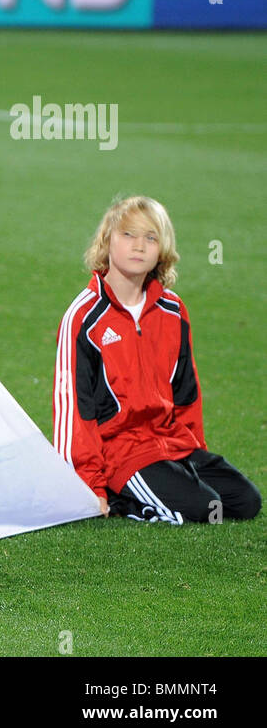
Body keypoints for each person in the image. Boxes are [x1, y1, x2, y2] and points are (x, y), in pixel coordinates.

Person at [53, 196, 260, 524]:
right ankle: (121, 498)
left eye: (150, 238)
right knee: (207, 509)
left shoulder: (173, 310)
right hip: (120, 455)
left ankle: (172, 484)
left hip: (170, 443)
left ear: (162, 249)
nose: (139, 246)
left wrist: (196, 453)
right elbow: (76, 411)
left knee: (246, 502)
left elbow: (186, 392)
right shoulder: (84, 317)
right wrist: (88, 484)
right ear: (107, 241)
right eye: (128, 235)